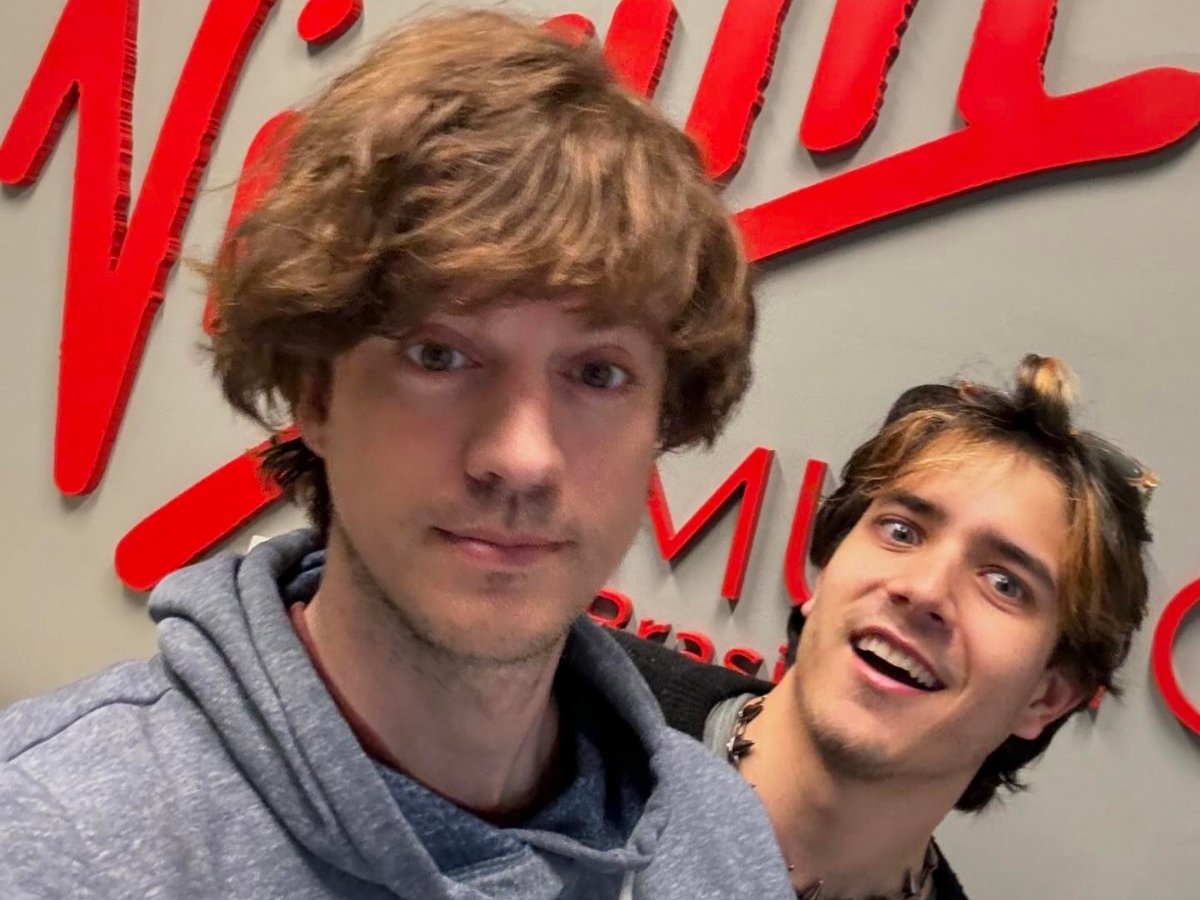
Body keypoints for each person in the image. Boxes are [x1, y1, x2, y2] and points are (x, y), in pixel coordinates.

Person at [0, 11, 796, 899]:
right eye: (439, 355)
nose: (521, 457)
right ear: (315, 392)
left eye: (599, 373)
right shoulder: (50, 837)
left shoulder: (723, 846)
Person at [615, 354, 1156, 899]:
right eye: (901, 530)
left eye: (1004, 583)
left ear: (1047, 695)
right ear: (823, 573)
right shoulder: (559, 703)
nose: (923, 591)